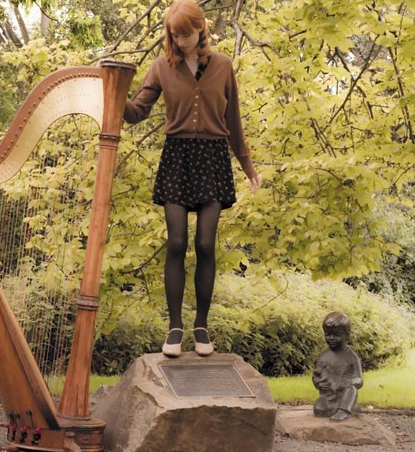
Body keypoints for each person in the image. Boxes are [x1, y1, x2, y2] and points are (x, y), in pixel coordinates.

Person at [123, 0, 261, 357]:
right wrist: (112, 93)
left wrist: (247, 167)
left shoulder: (223, 66)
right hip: (178, 158)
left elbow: (233, 123)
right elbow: (136, 112)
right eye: (175, 34)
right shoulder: (160, 68)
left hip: (213, 158)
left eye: (186, 33)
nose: (180, 40)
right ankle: (174, 328)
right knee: (176, 242)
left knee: (204, 244)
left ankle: (201, 326)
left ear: (201, 28)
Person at [312, 311, 363, 421]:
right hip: (329, 396)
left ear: (347, 336)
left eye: (337, 335)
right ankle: (338, 409)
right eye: (328, 335)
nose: (331, 338)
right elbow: (316, 375)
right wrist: (318, 383)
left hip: (344, 394)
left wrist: (347, 382)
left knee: (351, 389)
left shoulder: (352, 357)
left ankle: (344, 410)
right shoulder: (324, 356)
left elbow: (359, 380)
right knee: (318, 409)